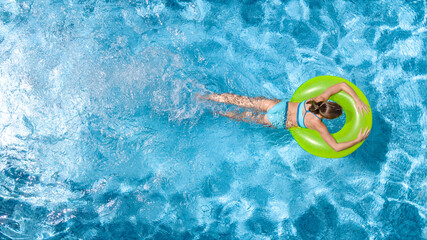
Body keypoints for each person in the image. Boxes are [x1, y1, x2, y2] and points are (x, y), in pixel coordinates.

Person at [200, 82, 371, 152]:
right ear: (327, 118)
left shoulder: (317, 99)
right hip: (277, 120)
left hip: (276, 106)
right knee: (244, 116)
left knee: (243, 101)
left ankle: (208, 97)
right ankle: (218, 113)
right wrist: (358, 139)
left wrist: (356, 99)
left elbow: (340, 85)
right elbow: (335, 147)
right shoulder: (318, 124)